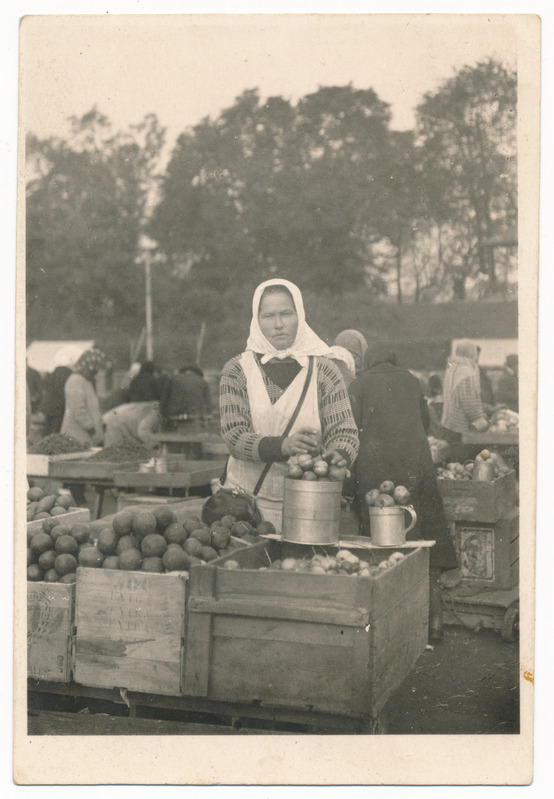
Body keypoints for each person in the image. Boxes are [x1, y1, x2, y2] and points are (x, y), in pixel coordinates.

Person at [219, 278, 359, 529]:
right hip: (245, 508)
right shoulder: (237, 370)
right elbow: (234, 435)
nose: (279, 324)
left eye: (286, 313)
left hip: (308, 505)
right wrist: (283, 446)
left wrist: (338, 456)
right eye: (268, 316)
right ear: (256, 320)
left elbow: (344, 430)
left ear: (300, 316)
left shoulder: (325, 370)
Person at [348, 345, 458, 642]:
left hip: (374, 473)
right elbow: (424, 422)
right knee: (425, 539)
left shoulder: (358, 384)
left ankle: (390, 627)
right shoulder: (412, 381)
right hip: (415, 470)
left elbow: (351, 431)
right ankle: (434, 623)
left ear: (367, 360)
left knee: (380, 545)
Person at [441, 339, 489, 443]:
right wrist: (481, 422)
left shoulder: (453, 368)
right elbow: (468, 402)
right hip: (461, 427)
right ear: (472, 353)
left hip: (449, 423)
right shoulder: (467, 372)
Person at [61, 348, 109, 447]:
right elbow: (79, 411)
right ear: (88, 367)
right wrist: (91, 430)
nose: (95, 374)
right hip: (76, 437)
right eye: (94, 370)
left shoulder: (86, 381)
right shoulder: (75, 380)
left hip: (86, 438)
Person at [41, 344, 83, 435]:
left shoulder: (53, 373)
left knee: (48, 433)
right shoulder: (69, 374)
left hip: (49, 409)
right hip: (61, 410)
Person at [159, 364, 212, 432]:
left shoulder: (172, 379)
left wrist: (163, 417)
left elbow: (164, 400)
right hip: (196, 417)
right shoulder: (203, 382)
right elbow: (208, 403)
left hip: (174, 417)